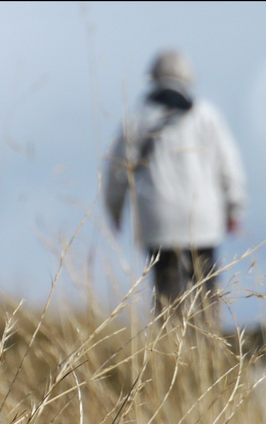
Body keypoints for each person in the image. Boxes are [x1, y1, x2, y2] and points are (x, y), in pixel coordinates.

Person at [104, 50, 246, 314]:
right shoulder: (207, 116)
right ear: (189, 76)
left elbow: (117, 170)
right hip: (203, 218)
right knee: (205, 290)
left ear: (153, 76)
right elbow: (230, 167)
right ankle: (207, 347)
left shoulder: (137, 118)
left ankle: (169, 350)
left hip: (158, 219)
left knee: (166, 292)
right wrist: (235, 209)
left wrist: (114, 211)